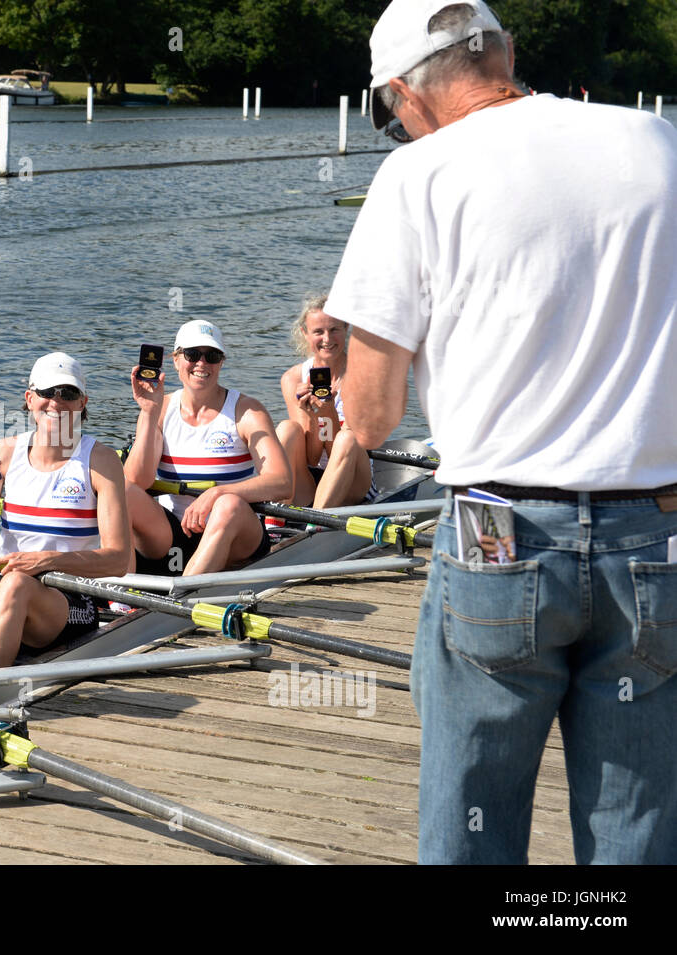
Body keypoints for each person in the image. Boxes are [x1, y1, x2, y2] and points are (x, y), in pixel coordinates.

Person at [329, 0, 677, 864]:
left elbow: (371, 418)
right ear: (506, 52)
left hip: (500, 539)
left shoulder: (418, 178)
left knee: (472, 821)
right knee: (638, 828)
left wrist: (337, 372)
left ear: (402, 95)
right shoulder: (657, 143)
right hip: (655, 538)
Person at [0, 353, 130, 689]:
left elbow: (119, 559)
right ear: (29, 399)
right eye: (47, 393)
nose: (56, 402)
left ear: (82, 403)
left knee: (16, 584)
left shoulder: (101, 460)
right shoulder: (0, 452)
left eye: (68, 394)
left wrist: (46, 561)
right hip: (9, 591)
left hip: (71, 603)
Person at [123, 319, 291, 577]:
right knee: (120, 491)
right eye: (192, 354)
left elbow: (282, 483)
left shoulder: (246, 411)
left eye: (211, 356)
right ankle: (123, 593)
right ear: (176, 359)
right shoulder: (161, 408)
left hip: (234, 533)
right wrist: (148, 412)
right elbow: (137, 482)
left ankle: (180, 601)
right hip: (174, 533)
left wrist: (216, 494)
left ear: (221, 362)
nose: (202, 363)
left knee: (227, 505)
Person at [275, 294, 374, 508]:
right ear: (306, 334)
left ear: (346, 329)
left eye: (334, 330)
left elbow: (338, 450)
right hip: (312, 474)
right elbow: (311, 457)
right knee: (287, 429)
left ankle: (315, 523)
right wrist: (312, 416)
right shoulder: (292, 378)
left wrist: (327, 411)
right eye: (319, 332)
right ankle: (276, 519)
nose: (327, 339)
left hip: (353, 477)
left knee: (347, 438)